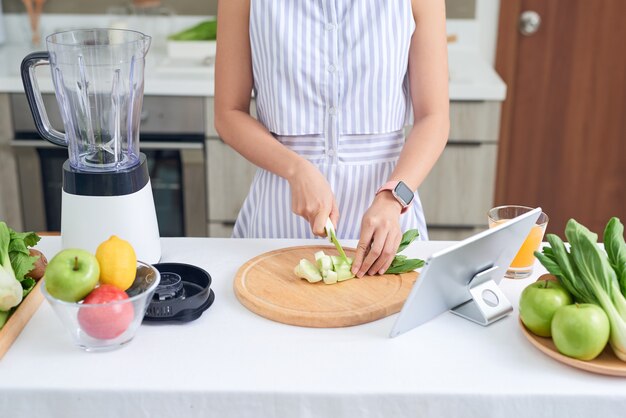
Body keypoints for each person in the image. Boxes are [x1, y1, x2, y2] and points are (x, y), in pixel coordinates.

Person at [215, 0, 449, 278]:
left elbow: (434, 119)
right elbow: (228, 114)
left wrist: (393, 197)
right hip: (279, 214)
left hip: (388, 222)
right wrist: (295, 169)